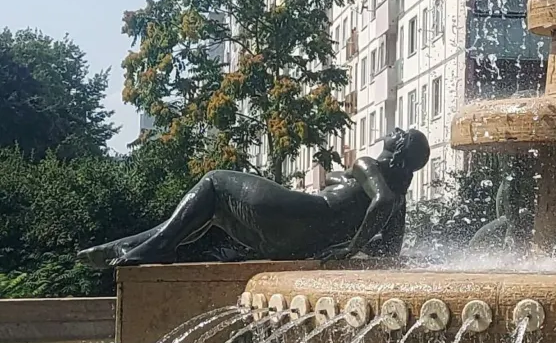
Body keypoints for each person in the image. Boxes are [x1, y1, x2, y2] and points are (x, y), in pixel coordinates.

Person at [81, 131, 430, 268]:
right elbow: (390, 253)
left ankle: (157, 247)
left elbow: (379, 200)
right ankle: (125, 247)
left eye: (401, 134)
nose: (394, 131)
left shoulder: (370, 167)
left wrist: (350, 248)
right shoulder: (400, 197)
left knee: (214, 182)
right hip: (298, 241)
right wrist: (353, 246)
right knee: (212, 209)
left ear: (398, 149)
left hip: (297, 214)